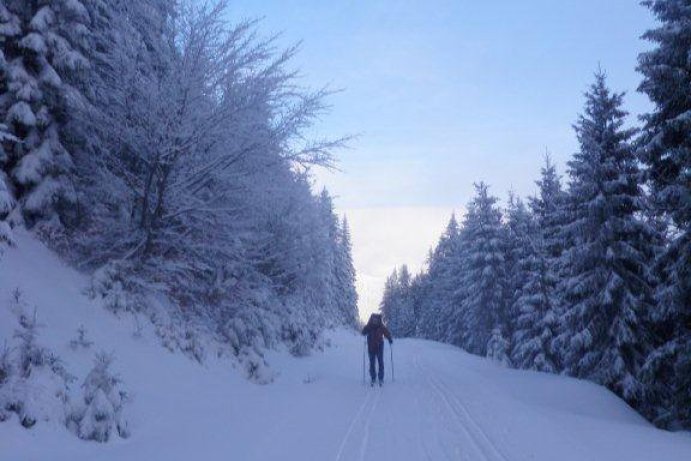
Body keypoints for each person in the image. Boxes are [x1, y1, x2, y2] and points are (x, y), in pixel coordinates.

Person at [361, 313, 393, 386]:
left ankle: (380, 378)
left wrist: (390, 339)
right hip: (371, 347)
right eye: (374, 320)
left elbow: (387, 333)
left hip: (379, 347)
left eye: (376, 320)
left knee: (380, 362)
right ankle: (373, 378)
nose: (375, 321)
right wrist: (365, 330)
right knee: (372, 363)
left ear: (379, 320)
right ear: (372, 319)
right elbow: (363, 332)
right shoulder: (369, 326)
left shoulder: (381, 327)